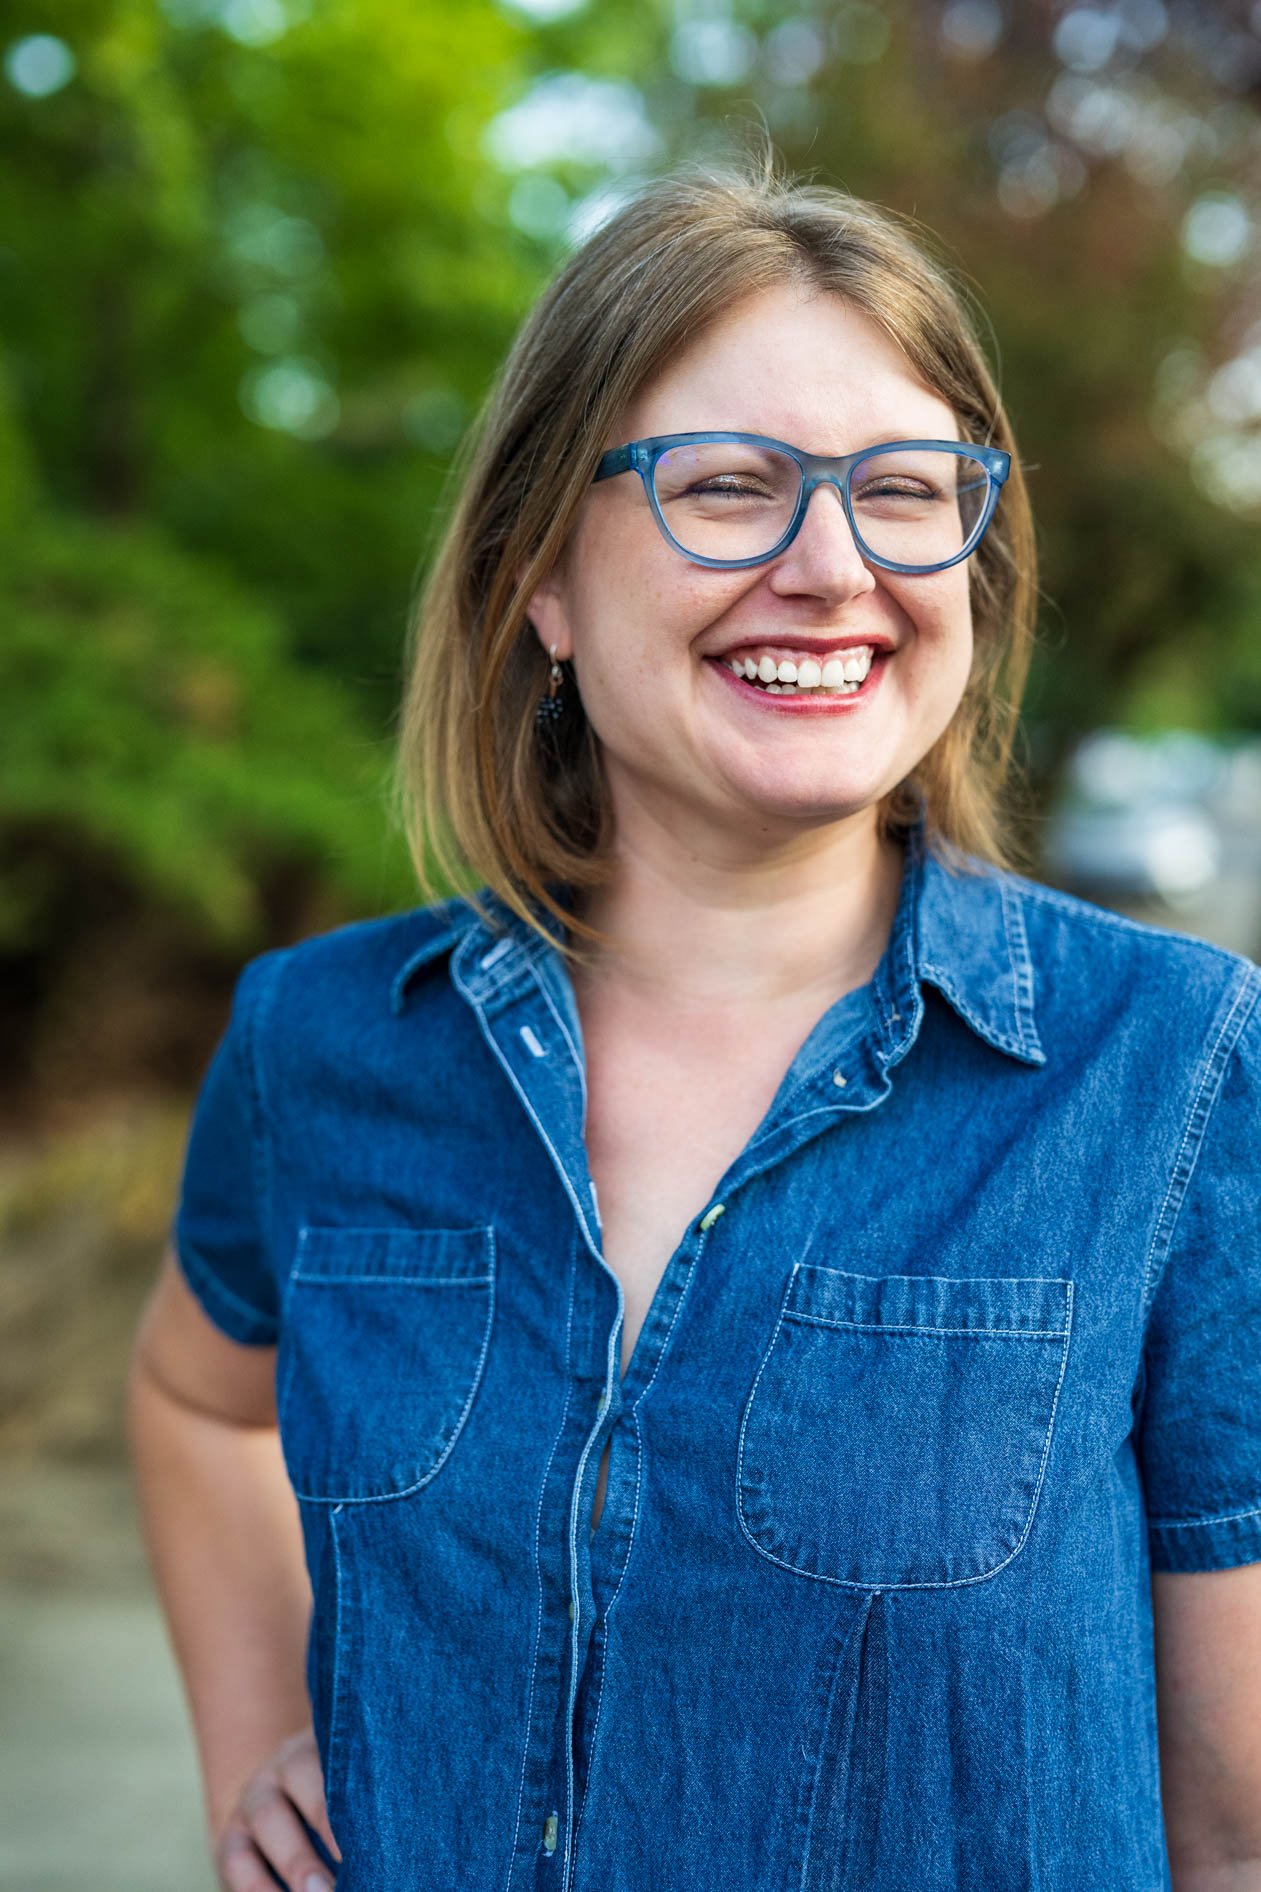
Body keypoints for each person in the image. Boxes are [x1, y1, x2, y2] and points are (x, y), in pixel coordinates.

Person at [127, 158, 1261, 1892]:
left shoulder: (1171, 1069)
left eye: (903, 490)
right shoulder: (322, 1043)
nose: (832, 567)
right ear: (541, 583)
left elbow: (1236, 1823)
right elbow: (196, 1399)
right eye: (725, 488)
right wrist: (259, 1738)